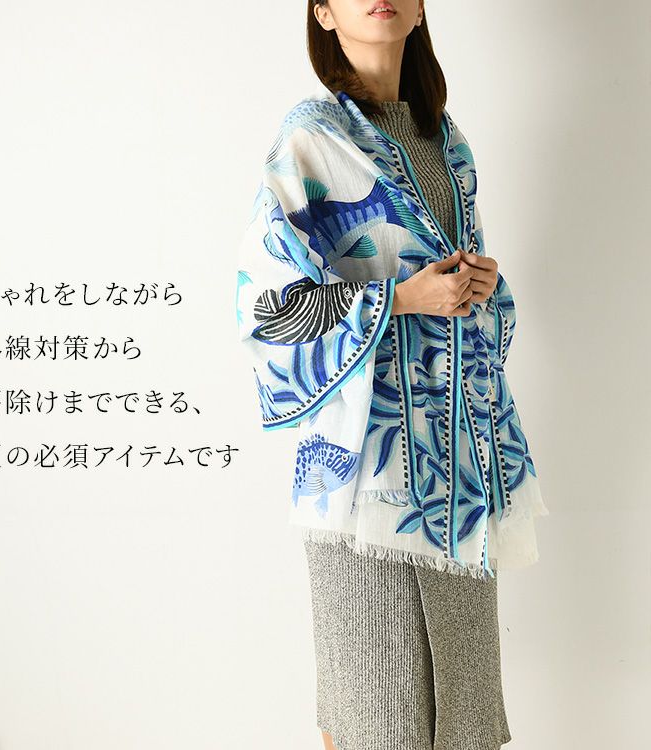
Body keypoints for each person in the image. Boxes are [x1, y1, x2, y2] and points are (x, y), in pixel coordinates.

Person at [236, 2, 549, 748]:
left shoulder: (446, 141)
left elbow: (466, 301)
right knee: (373, 717)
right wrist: (401, 298)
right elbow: (267, 309)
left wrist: (477, 284)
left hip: (456, 477)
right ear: (323, 11)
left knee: (465, 723)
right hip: (363, 485)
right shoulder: (310, 138)